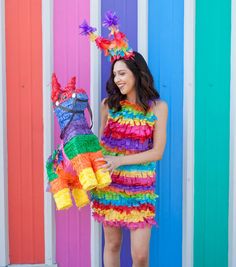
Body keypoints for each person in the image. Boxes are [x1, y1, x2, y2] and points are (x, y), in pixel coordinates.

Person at [80, 12, 168, 267]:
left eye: (122, 73)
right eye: (114, 74)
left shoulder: (157, 107)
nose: (117, 79)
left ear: (137, 73)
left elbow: (157, 152)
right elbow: (99, 148)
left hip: (140, 189)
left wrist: (119, 162)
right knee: (113, 245)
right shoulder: (108, 105)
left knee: (140, 256)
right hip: (110, 186)